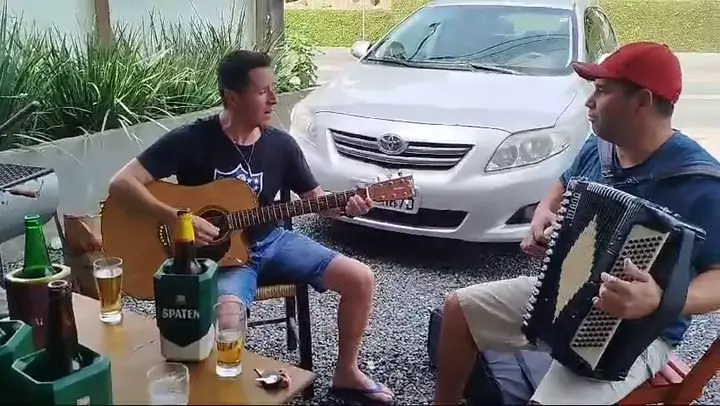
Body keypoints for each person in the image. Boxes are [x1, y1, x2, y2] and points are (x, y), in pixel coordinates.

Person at [433, 41, 720, 405]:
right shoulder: (599, 148)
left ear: (642, 101)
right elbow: (563, 184)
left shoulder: (702, 184)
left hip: (639, 331)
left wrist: (661, 300)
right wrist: (542, 217)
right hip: (566, 290)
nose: (589, 102)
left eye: (602, 90)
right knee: (458, 309)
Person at [108, 50, 394, 404]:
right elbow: (121, 183)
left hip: (273, 242)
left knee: (361, 278)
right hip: (222, 260)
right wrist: (176, 217)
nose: (274, 98)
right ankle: (222, 395)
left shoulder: (281, 145)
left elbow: (317, 199)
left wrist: (350, 206)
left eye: (274, 88)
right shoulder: (192, 139)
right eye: (263, 91)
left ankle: (347, 372)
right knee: (228, 317)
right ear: (232, 97)